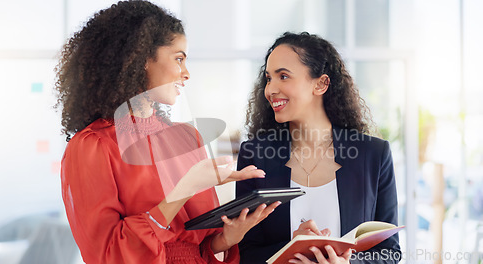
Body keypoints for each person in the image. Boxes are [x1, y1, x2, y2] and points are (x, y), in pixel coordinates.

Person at [54, 1, 279, 263]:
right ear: (139, 60)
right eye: (179, 59)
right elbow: (109, 254)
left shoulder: (186, 138)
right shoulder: (93, 146)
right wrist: (185, 188)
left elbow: (200, 247)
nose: (186, 73)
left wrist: (229, 237)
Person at [236, 32, 401, 264]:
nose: (270, 89)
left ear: (321, 83)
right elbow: (245, 254)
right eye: (268, 78)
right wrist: (290, 249)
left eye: (283, 76)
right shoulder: (255, 155)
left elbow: (390, 252)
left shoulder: (374, 155)